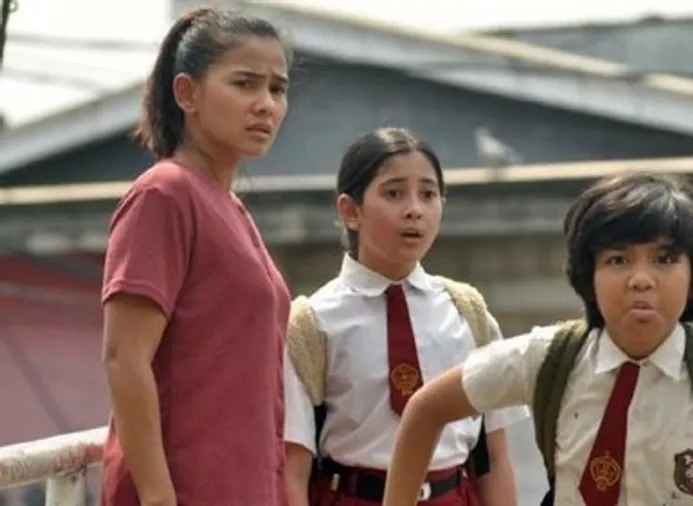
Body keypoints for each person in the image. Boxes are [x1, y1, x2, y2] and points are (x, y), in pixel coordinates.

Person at [382, 173, 693, 505]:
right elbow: (426, 408)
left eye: (665, 259)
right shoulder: (549, 358)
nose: (641, 279)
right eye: (617, 260)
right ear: (588, 274)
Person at [100, 8, 293, 506]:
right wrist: (158, 496)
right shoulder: (164, 194)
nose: (266, 104)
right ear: (187, 93)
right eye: (245, 84)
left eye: (277, 89)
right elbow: (124, 357)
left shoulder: (230, 208)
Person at [281, 127, 529, 506]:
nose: (414, 209)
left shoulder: (468, 313)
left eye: (428, 194)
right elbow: (293, 469)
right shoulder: (312, 324)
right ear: (350, 211)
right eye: (394, 193)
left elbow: (493, 460)